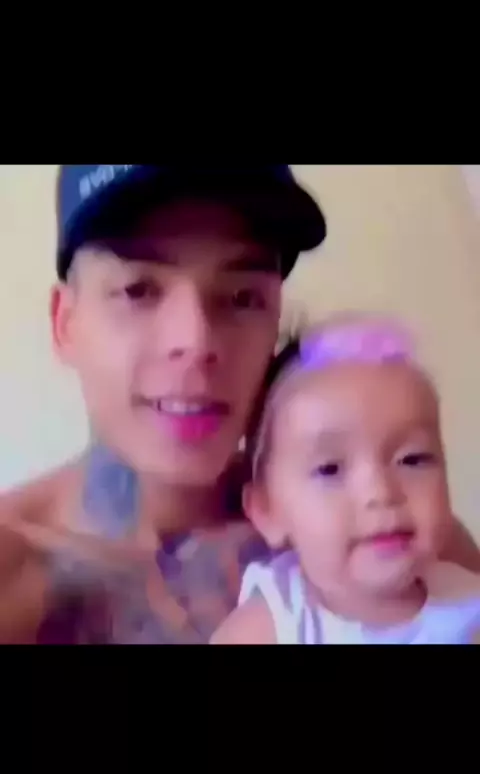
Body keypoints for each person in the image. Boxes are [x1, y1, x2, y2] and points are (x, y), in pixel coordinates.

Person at [0, 166, 478, 644]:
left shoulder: (389, 530)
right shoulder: (14, 576)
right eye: (137, 290)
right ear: (65, 324)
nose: (196, 341)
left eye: (243, 297)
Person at [212, 316, 480, 644]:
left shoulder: (466, 603)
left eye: (413, 459)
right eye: (330, 469)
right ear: (268, 511)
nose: (380, 493)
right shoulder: (273, 625)